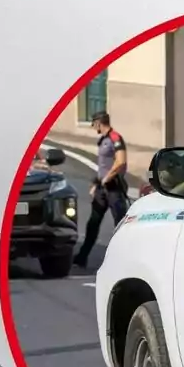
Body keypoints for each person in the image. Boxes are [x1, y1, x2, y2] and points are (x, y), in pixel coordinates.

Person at [74, 111, 129, 269]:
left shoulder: (115, 138)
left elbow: (120, 162)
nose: (93, 127)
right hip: (102, 190)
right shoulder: (103, 140)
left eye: (93, 124)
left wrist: (107, 178)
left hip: (114, 189)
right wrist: (96, 183)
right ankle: (82, 257)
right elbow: (102, 167)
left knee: (120, 225)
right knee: (93, 223)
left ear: (99, 123)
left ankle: (123, 260)